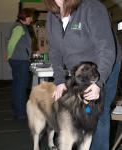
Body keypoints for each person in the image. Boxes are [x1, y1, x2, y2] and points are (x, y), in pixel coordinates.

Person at [43, 0, 122, 149]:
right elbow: (54, 50)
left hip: (104, 67)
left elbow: (106, 48)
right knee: (80, 112)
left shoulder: (91, 7)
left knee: (99, 114)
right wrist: (59, 80)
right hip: (80, 73)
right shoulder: (52, 16)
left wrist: (99, 83)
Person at [7, 8, 34, 120]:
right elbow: (11, 43)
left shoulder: (20, 26)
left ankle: (16, 109)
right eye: (31, 17)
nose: (32, 19)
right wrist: (8, 55)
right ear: (25, 17)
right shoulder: (19, 27)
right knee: (21, 88)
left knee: (17, 86)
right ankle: (21, 113)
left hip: (18, 60)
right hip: (20, 61)